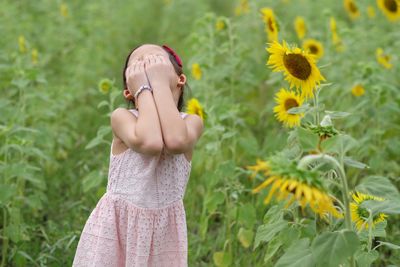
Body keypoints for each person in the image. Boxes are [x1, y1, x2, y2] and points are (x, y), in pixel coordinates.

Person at [72, 43, 204, 267]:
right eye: (138, 64)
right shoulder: (123, 117)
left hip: (163, 234)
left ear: (180, 79)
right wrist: (146, 88)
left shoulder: (191, 123)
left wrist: (158, 84)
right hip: (118, 230)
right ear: (129, 91)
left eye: (154, 61)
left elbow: (174, 142)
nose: (147, 66)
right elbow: (150, 142)